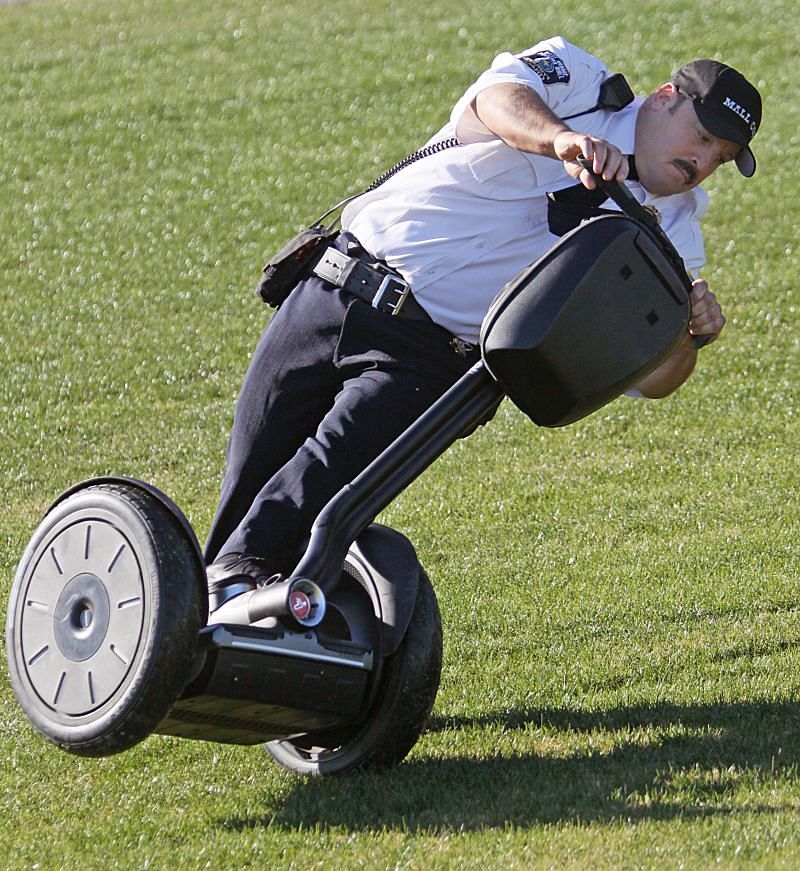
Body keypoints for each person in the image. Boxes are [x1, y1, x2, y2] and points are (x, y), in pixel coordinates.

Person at [204, 35, 762, 597]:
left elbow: (651, 378)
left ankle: (235, 607)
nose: (703, 161)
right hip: (334, 283)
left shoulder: (676, 238)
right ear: (665, 98)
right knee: (247, 481)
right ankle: (199, 629)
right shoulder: (581, 82)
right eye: (704, 136)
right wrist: (561, 139)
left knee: (313, 483)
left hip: (424, 359)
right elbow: (495, 98)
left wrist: (685, 335)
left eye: (721, 156)